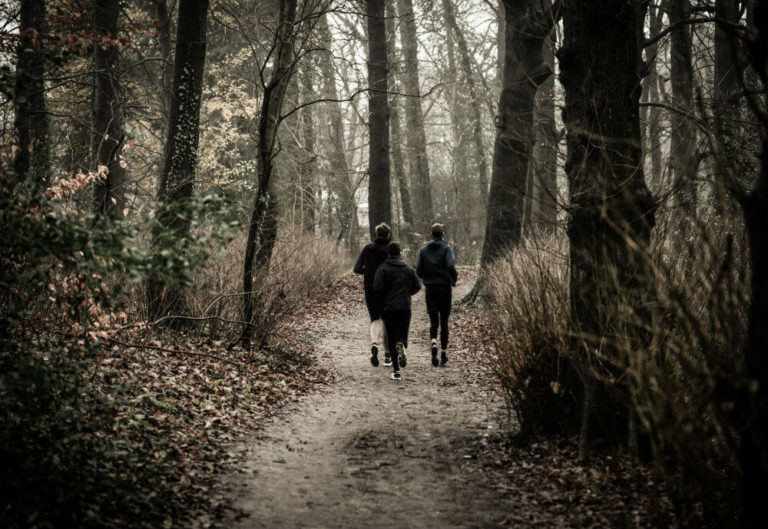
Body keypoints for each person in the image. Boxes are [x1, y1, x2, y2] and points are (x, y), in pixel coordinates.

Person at [373, 241, 421, 381]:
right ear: (400, 252)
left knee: (392, 338)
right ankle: (403, 346)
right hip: (405, 307)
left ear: (388, 252)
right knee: (402, 334)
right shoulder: (407, 269)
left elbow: (377, 288)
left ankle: (397, 371)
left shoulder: (382, 269)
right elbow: (417, 286)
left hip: (389, 307)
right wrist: (407, 294)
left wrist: (383, 299)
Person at [416, 223, 457, 367]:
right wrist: (454, 279)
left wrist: (427, 276)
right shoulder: (447, 248)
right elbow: (450, 266)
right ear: (443, 233)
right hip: (444, 288)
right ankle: (444, 353)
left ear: (431, 233)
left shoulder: (423, 250)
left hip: (430, 289)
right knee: (444, 322)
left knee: (434, 321)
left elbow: (419, 271)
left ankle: (433, 342)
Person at [354, 222, 392, 367]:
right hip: (387, 289)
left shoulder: (367, 248)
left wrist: (369, 273)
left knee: (375, 319)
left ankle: (374, 344)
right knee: (387, 320)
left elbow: (357, 269)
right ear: (388, 234)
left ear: (376, 234)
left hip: (370, 288)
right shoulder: (390, 249)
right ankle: (387, 355)